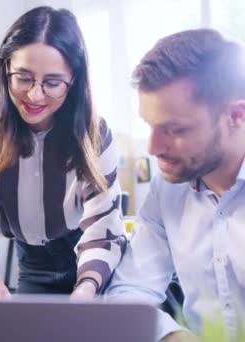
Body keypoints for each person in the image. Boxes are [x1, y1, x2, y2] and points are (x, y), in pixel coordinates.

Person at [0, 6, 126, 300]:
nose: (35, 95)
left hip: (93, 265)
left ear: (73, 81)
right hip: (32, 264)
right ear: (5, 68)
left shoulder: (94, 133)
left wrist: (86, 288)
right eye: (23, 77)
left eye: (52, 82)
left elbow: (103, 226)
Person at [105, 29, 245, 341]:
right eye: (149, 126)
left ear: (235, 115)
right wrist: (171, 336)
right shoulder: (166, 191)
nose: (153, 148)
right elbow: (129, 292)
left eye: (175, 129)